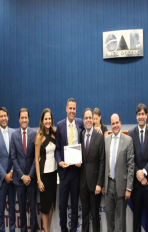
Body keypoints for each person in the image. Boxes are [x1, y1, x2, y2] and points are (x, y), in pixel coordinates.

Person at [55, 98, 84, 232]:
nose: (72, 111)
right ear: (66, 109)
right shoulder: (60, 126)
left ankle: (73, 229)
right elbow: (57, 149)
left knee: (74, 203)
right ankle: (63, 229)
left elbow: (88, 136)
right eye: (70, 108)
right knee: (62, 204)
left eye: (74, 109)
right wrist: (59, 161)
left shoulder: (80, 123)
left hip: (76, 172)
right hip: (64, 172)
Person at [128, 103, 148, 232]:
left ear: (146, 115)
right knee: (136, 219)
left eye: (143, 114)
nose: (141, 116)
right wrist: (139, 175)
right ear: (136, 116)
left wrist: (144, 172)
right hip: (136, 185)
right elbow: (130, 157)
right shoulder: (130, 133)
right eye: (139, 114)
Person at [102, 113, 134, 232]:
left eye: (117, 123)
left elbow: (131, 165)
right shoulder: (106, 140)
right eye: (113, 123)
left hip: (122, 186)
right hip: (108, 185)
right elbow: (104, 164)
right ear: (110, 125)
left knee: (121, 222)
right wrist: (103, 184)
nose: (115, 125)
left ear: (120, 123)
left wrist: (129, 188)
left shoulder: (128, 140)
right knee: (109, 220)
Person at [10, 108, 37, 232]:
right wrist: (22, 176)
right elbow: (13, 158)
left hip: (31, 180)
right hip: (19, 181)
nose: (24, 120)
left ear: (28, 118)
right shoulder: (14, 135)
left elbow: (35, 158)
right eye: (22, 118)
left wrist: (30, 176)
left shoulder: (34, 134)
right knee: (21, 211)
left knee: (33, 210)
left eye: (26, 117)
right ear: (19, 119)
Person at [0, 107, 16, 232]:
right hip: (1, 181)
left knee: (12, 211)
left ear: (8, 117)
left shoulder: (14, 133)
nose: (3, 118)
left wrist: (11, 172)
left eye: (5, 116)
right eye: (1, 116)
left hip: (12, 180)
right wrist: (4, 175)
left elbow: (14, 155)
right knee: (0, 212)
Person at [80, 108, 105, 232]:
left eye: (90, 118)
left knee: (95, 217)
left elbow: (102, 162)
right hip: (83, 184)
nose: (88, 120)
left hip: (95, 185)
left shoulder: (99, 137)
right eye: (86, 118)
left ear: (93, 119)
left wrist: (99, 184)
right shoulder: (81, 135)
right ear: (83, 120)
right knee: (84, 216)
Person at [35, 108, 57, 232]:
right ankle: (46, 230)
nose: (48, 121)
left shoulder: (54, 134)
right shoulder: (39, 136)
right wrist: (39, 180)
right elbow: (36, 160)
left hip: (53, 176)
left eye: (49, 119)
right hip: (43, 176)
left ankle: (48, 229)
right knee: (44, 207)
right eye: (46, 119)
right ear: (42, 121)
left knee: (51, 205)